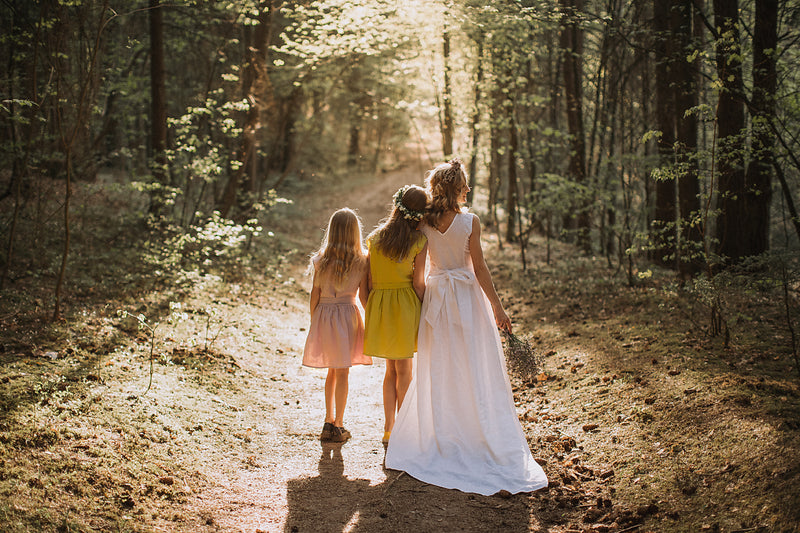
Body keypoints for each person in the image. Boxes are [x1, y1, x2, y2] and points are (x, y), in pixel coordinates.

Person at [384, 159, 548, 496]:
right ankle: (474, 431)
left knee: (440, 367)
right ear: (455, 188)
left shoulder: (423, 225)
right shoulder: (469, 222)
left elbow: (417, 272)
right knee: (474, 365)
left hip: (436, 301)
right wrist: (497, 308)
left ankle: (445, 434)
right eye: (464, 185)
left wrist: (421, 300)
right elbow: (481, 269)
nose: (468, 190)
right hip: (468, 301)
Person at [363, 185, 428, 445]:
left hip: (380, 304)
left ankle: (389, 429)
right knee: (406, 371)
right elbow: (419, 283)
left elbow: (368, 281)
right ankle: (404, 430)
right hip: (405, 305)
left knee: (390, 371)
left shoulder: (375, 238)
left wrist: (370, 307)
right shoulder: (419, 241)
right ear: (420, 215)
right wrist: (429, 306)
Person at [302, 208, 372, 443]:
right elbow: (363, 296)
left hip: (325, 314)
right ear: (355, 232)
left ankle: (327, 420)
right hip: (347, 316)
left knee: (332, 371)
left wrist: (315, 321)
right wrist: (371, 318)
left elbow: (315, 293)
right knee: (343, 372)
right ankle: (339, 425)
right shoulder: (362, 260)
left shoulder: (321, 259)